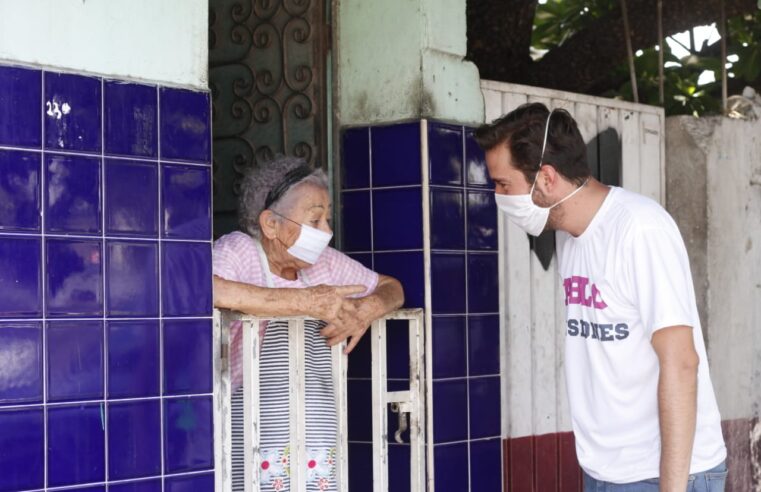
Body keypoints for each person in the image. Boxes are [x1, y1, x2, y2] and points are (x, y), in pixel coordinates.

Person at [474, 103, 727, 491]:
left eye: (503, 184)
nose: (498, 196)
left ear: (546, 177)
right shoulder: (572, 239)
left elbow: (681, 363)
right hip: (606, 471)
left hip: (665, 474)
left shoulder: (639, 230)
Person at [212, 155, 404, 492]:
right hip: (255, 426)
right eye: (315, 220)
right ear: (271, 224)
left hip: (317, 429)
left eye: (327, 219)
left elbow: (393, 289)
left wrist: (366, 309)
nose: (327, 232)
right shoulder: (241, 250)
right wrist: (305, 302)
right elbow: (210, 289)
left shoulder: (322, 264)